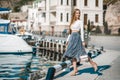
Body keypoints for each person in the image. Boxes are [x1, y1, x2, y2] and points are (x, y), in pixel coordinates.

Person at [62, 8, 98, 76]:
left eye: (79, 13)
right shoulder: (72, 22)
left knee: (82, 53)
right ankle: (75, 69)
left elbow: (82, 32)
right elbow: (70, 33)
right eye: (77, 13)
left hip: (77, 38)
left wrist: (83, 41)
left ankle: (93, 64)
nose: (78, 14)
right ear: (74, 14)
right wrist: (67, 40)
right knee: (73, 55)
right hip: (72, 38)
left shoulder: (80, 22)